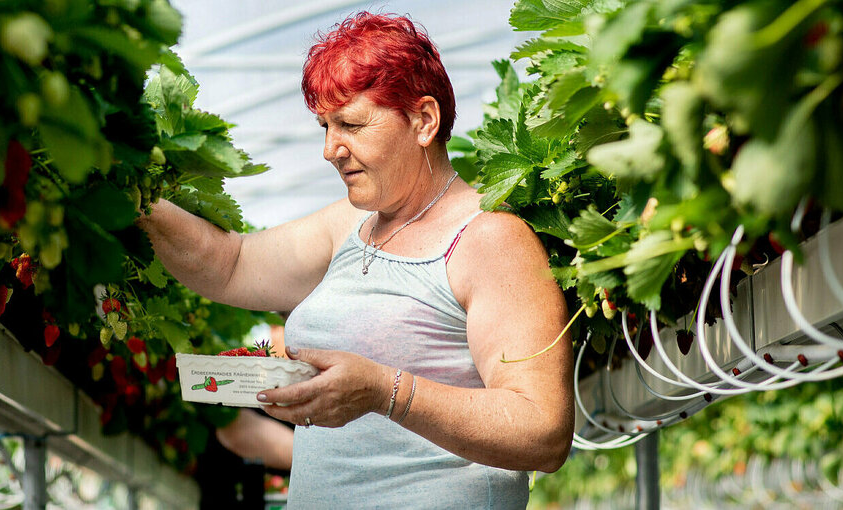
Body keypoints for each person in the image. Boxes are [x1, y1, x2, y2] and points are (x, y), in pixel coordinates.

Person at [137, 12, 573, 509]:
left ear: (424, 121)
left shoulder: (488, 239)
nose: (329, 149)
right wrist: (138, 198)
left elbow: (543, 429)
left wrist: (386, 393)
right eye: (325, 126)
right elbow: (229, 264)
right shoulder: (350, 224)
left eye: (351, 124)